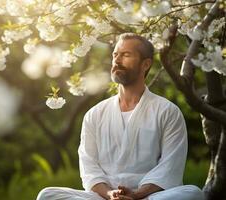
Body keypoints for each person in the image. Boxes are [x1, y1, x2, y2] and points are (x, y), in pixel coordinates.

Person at [36, 33, 205, 200]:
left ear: (145, 64)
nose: (117, 60)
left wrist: (136, 195)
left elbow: (171, 166)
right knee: (48, 195)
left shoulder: (167, 111)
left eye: (126, 55)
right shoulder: (95, 114)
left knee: (193, 193)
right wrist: (110, 194)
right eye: (115, 54)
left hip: (148, 196)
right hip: (104, 197)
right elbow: (89, 168)